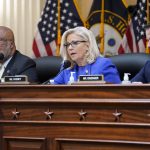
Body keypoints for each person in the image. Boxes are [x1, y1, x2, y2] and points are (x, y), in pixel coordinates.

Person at [52, 26, 121, 84]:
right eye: (67, 44)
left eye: (75, 43)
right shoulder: (67, 69)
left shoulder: (103, 65)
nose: (70, 48)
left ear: (88, 45)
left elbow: (118, 93)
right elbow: (50, 91)